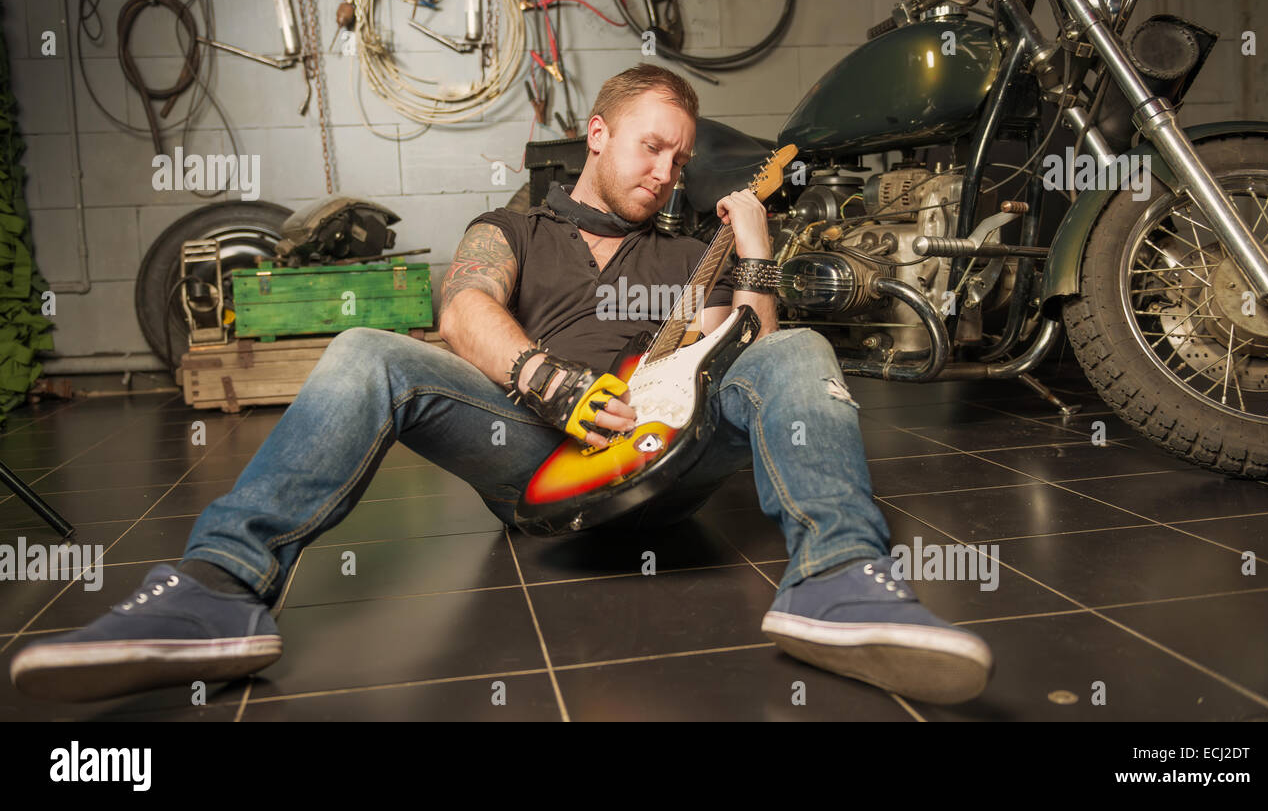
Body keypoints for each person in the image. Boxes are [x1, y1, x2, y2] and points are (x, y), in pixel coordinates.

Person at [9, 64, 993, 707]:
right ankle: (219, 589)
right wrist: (549, 381)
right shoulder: (512, 229)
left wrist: (756, 255)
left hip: (669, 462)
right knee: (365, 348)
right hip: (536, 455)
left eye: (681, 157)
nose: (665, 169)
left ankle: (835, 584)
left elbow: (757, 350)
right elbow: (461, 306)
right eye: (651, 145)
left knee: (800, 349)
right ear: (597, 136)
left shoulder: (692, 250)